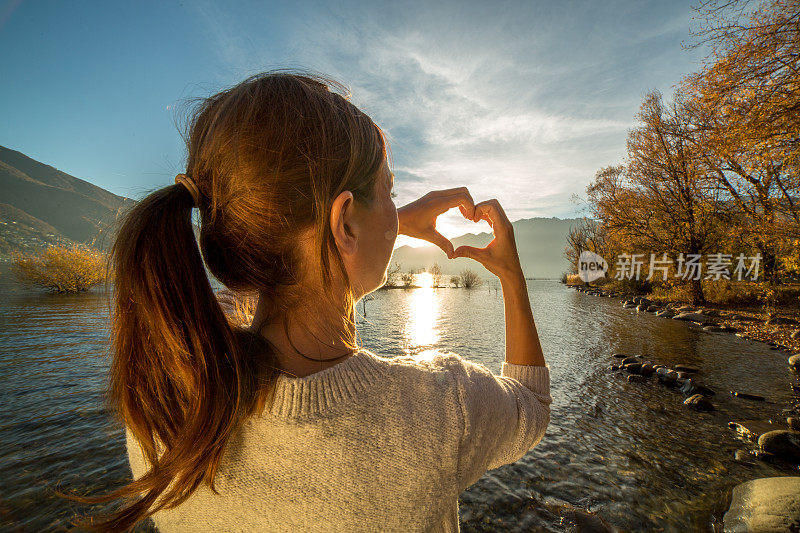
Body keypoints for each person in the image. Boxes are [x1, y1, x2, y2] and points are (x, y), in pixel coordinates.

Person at [78, 70, 551, 532]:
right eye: (389, 189)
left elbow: (280, 264)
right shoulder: (443, 410)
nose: (395, 205)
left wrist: (381, 221)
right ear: (344, 223)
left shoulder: (168, 402)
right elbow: (531, 405)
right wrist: (511, 274)